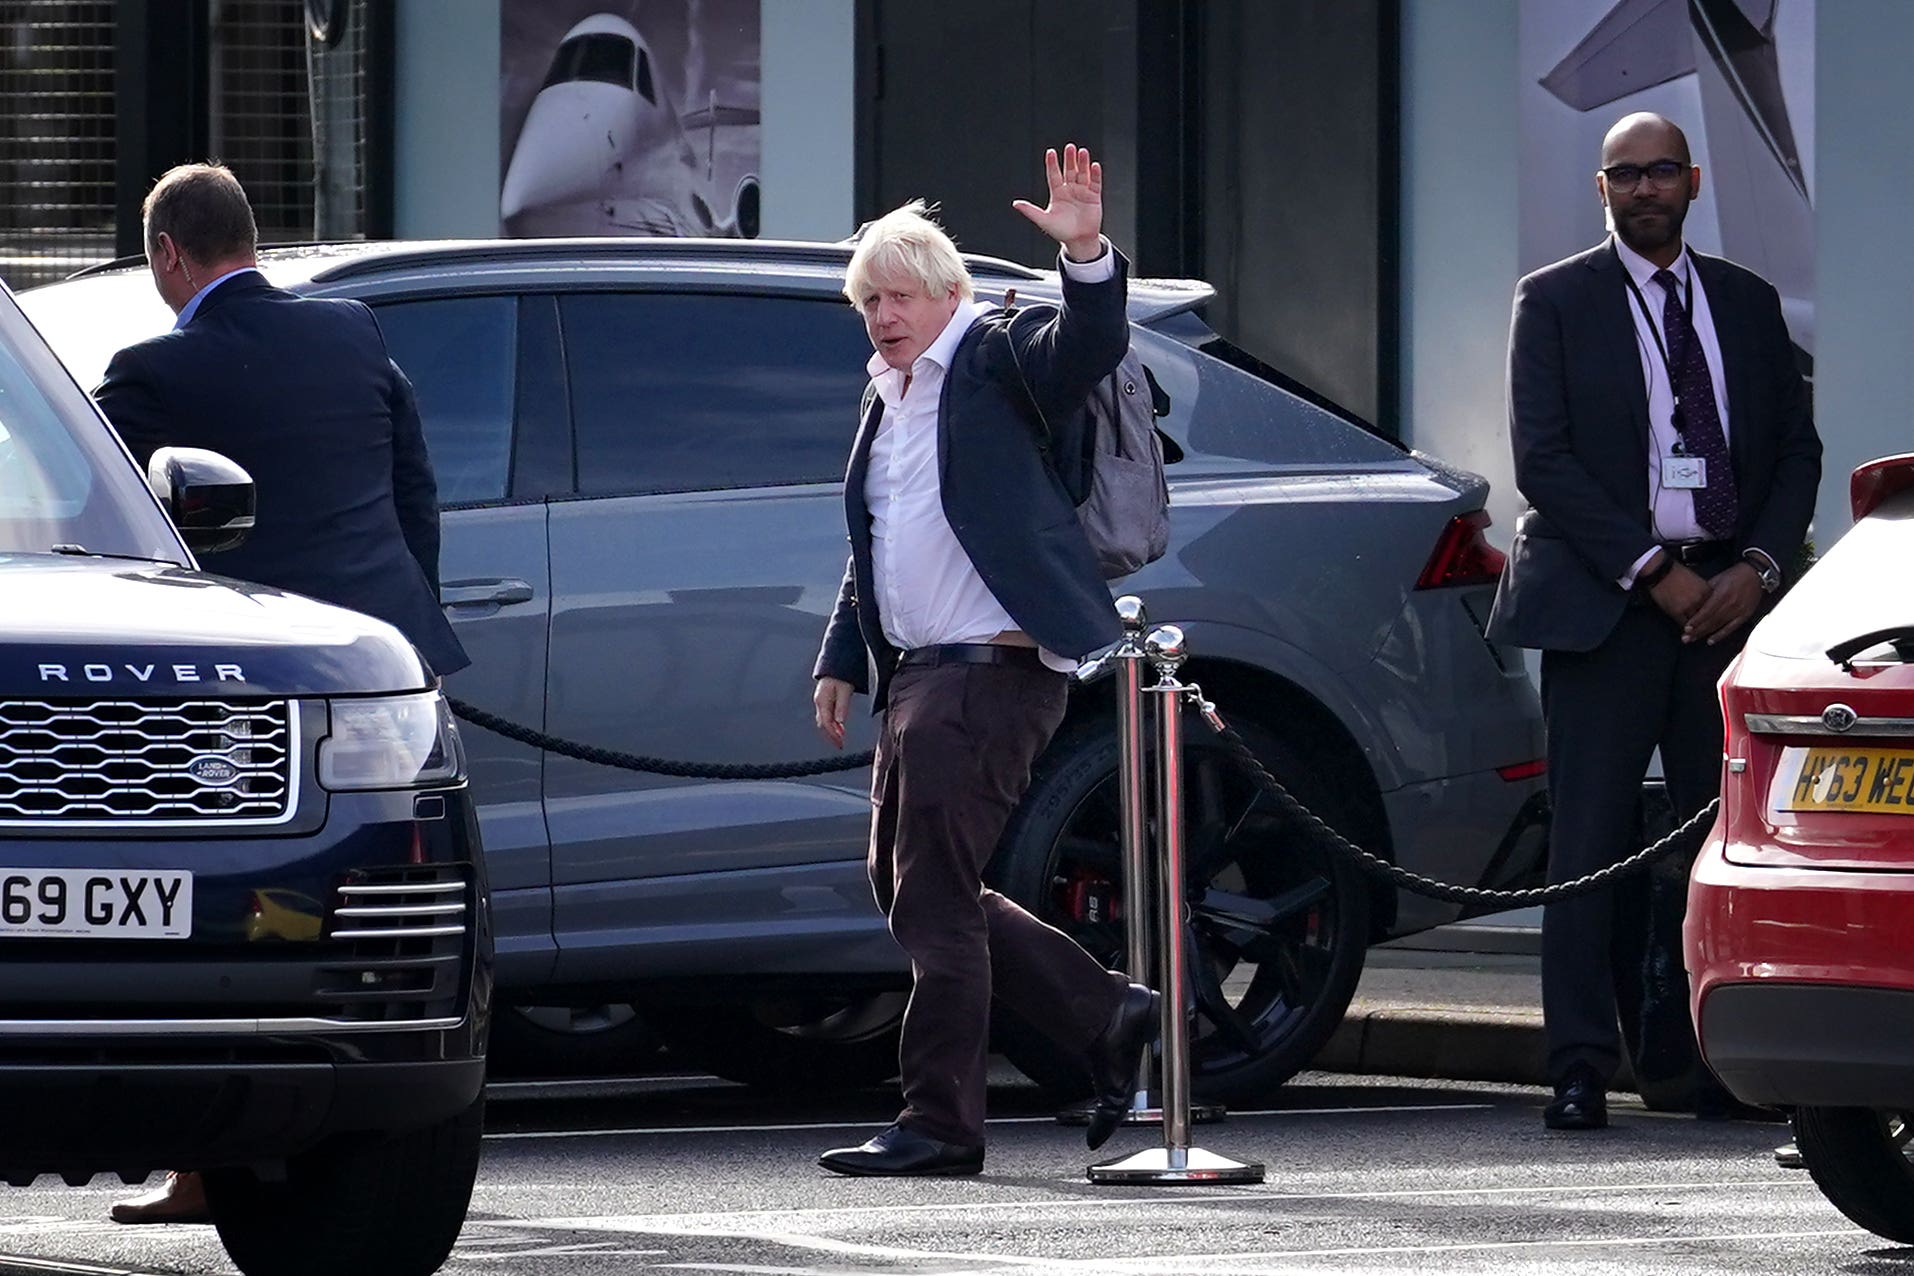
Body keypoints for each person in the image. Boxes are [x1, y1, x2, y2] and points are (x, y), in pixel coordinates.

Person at [96, 163, 469, 1225]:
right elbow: (414, 486)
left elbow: (95, 509)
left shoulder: (156, 368)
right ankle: (337, 1156)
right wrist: (409, 629)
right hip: (385, 671)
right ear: (250, 240)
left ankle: (207, 1162)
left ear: (169, 253)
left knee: (228, 914)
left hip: (245, 689)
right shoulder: (352, 330)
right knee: (383, 921)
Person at [810, 144, 1158, 1177]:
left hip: (993, 672)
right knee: (909, 883)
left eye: (899, 294)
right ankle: (1108, 1011)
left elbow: (1088, 341)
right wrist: (843, 655)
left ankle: (941, 1121)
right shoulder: (889, 395)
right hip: (918, 671)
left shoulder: (997, 357)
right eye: (867, 299)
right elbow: (880, 537)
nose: (882, 314)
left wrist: (1086, 249)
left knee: (930, 899)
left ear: (949, 291)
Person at [1487, 113, 1821, 1131]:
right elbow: (1543, 461)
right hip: (1610, 605)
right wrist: (1651, 571)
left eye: (1661, 171)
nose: (1645, 189)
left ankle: (1711, 1063)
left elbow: (1796, 454)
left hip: (1730, 605)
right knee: (1587, 841)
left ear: (1693, 179)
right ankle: (1579, 1063)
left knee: (1719, 839)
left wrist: (1757, 569)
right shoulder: (1553, 301)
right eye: (1625, 175)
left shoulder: (1750, 304)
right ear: (1602, 189)